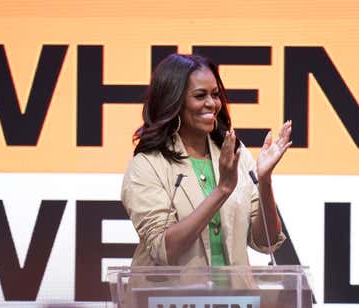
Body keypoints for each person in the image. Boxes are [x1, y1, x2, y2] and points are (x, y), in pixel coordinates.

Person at [121, 54, 291, 267]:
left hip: (234, 299)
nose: (212, 104)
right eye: (200, 96)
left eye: (215, 94)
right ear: (174, 101)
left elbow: (266, 241)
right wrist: (222, 190)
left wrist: (265, 181)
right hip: (169, 299)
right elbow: (163, 251)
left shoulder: (234, 153)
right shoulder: (147, 165)